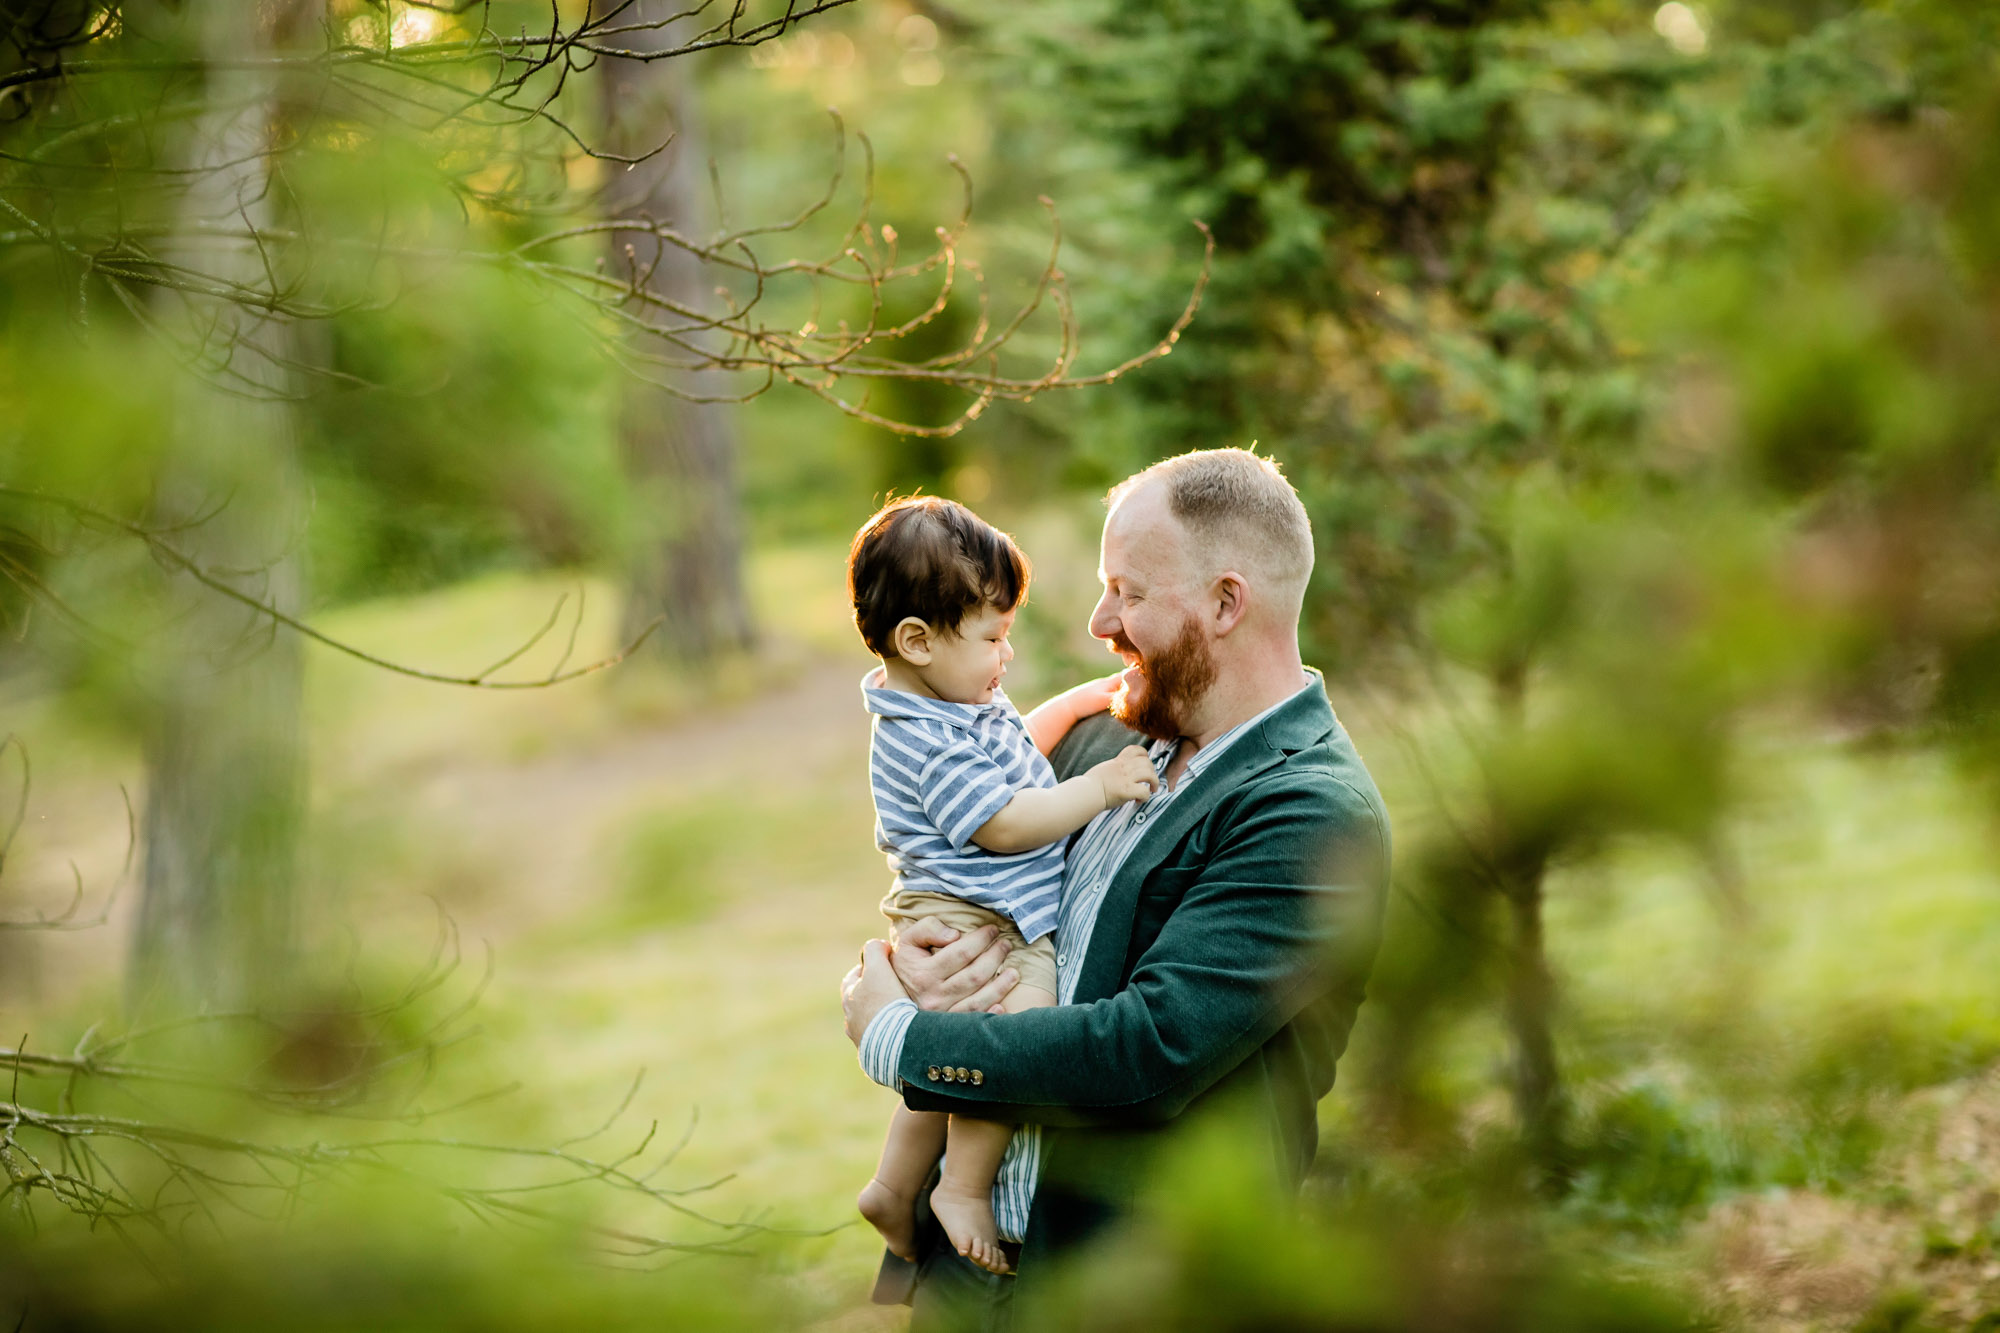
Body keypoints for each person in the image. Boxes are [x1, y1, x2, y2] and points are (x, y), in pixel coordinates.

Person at [841, 448, 1391, 1329]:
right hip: (968, 1267)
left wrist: (902, 1039)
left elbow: (1144, 1051)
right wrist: (909, 969)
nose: (1100, 620)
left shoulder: (1308, 811)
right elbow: (961, 877)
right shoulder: (1107, 740)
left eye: (1128, 591)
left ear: (1225, 602)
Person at [847, 495, 1162, 1274]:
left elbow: (1020, 743)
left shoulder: (954, 706)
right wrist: (1102, 785)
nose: (1006, 657)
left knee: (947, 1051)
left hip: (969, 907)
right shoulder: (925, 741)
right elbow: (1008, 821)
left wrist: (1086, 701)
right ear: (916, 641)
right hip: (976, 918)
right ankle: (962, 1184)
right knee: (1011, 1036)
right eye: (993, 636)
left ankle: (892, 1185)